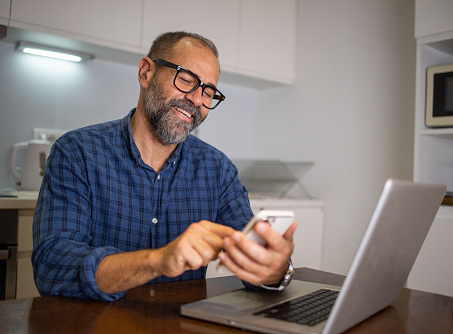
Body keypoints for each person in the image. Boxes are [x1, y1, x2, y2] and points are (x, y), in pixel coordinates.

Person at [32, 31, 297, 301]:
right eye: (186, 80)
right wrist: (158, 260)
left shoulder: (218, 170)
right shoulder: (77, 152)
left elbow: (253, 261)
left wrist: (273, 269)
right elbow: (53, 266)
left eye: (208, 92)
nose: (196, 100)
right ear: (146, 72)